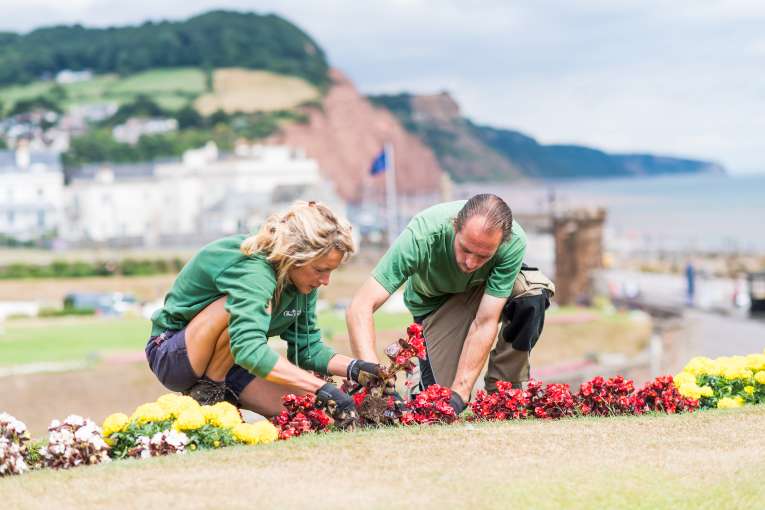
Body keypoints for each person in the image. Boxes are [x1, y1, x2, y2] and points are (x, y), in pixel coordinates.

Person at [145, 201, 381, 425]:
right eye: (320, 269)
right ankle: (208, 394)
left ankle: (223, 391)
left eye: (331, 271)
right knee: (234, 305)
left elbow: (309, 349)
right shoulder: (255, 270)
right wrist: (320, 387)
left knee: (310, 412)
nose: (326, 280)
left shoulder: (304, 282)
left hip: (233, 363)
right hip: (173, 354)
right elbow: (249, 348)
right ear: (295, 256)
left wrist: (356, 368)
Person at [346, 194, 554, 416]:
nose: (471, 263)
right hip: (436, 303)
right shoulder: (422, 233)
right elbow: (360, 307)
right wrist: (375, 377)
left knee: (531, 295)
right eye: (465, 249)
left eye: (483, 256)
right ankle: (418, 379)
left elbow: (485, 321)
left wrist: (460, 393)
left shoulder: (513, 242)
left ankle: (504, 394)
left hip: (484, 293)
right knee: (434, 402)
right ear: (455, 226)